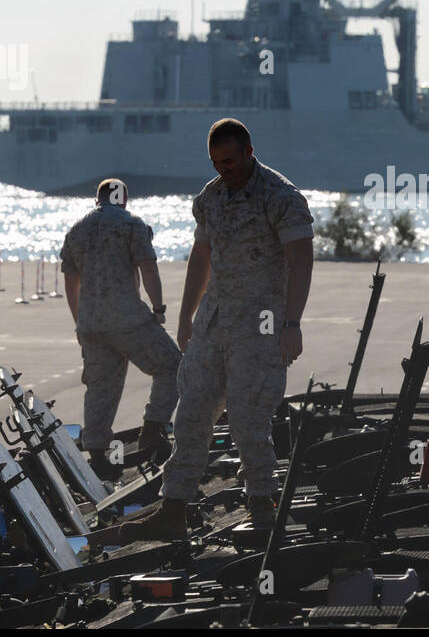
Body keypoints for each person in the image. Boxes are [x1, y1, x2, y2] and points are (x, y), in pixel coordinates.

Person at [120, 118, 314, 540]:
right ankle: (174, 507)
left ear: (249, 151)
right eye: (215, 163)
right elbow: (201, 256)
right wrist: (186, 315)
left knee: (248, 421)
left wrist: (292, 324)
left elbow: (301, 259)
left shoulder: (280, 197)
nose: (222, 169)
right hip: (214, 323)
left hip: (261, 329)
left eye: (229, 160)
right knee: (190, 414)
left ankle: (262, 504)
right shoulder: (211, 198)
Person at [60, 178, 182, 479]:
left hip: (92, 325)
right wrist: (158, 308)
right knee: (174, 367)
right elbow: (148, 267)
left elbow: (70, 283)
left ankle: (99, 458)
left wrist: (80, 323)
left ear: (96, 198)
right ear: (123, 199)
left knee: (100, 390)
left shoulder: (76, 231)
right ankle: (153, 429)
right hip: (128, 319)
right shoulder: (132, 225)